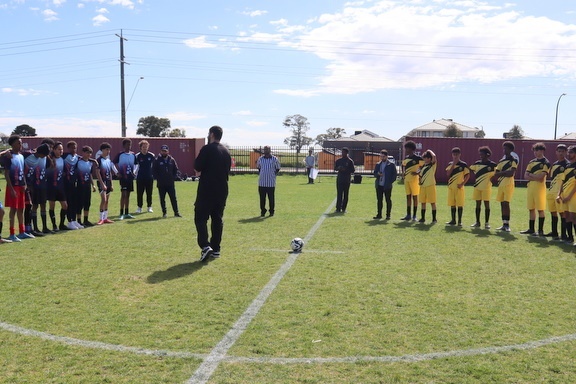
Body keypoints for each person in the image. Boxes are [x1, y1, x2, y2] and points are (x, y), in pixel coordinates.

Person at [194, 126, 232, 261]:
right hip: (222, 189)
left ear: (211, 134)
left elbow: (197, 166)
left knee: (200, 217)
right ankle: (216, 248)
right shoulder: (226, 151)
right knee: (217, 218)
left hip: (207, 188)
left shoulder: (207, 149)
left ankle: (205, 246)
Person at [2, 135, 33, 242]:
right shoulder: (8, 156)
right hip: (13, 186)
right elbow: (6, 174)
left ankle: (22, 232)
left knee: (21, 208)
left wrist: (24, 184)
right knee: (13, 209)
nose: (20, 145)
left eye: (21, 143)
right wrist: (11, 189)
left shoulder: (21, 156)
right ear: (12, 144)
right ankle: (11, 233)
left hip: (21, 186)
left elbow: (22, 171)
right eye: (18, 143)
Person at [520, 143, 550, 236]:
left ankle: (540, 230)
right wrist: (535, 177)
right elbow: (525, 176)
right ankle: (531, 229)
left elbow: (541, 178)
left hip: (540, 188)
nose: (535, 152)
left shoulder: (546, 163)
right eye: (534, 151)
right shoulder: (531, 162)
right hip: (531, 188)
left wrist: (531, 175)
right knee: (531, 208)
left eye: (537, 150)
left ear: (542, 151)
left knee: (540, 209)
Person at [24, 143, 51, 236]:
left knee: (43, 204)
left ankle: (44, 227)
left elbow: (49, 165)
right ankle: (34, 228)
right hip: (33, 185)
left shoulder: (44, 158)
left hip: (42, 185)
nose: (45, 156)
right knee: (34, 206)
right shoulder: (28, 155)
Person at [491, 141, 518, 232]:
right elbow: (496, 174)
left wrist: (502, 173)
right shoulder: (501, 161)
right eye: (503, 148)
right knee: (502, 204)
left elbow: (511, 173)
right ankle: (503, 223)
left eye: (505, 148)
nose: (504, 150)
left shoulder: (513, 160)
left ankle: (507, 225)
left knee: (506, 203)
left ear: (510, 150)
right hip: (501, 184)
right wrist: (504, 173)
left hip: (509, 184)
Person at [75, 146, 104, 227]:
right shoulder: (78, 161)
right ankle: (79, 221)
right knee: (79, 204)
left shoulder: (90, 163)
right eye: (87, 152)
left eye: (90, 153)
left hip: (87, 186)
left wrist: (93, 185)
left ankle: (86, 220)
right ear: (83, 152)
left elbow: (90, 174)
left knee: (87, 203)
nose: (89, 154)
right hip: (80, 186)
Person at [469, 146, 497, 229]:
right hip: (477, 187)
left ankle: (487, 223)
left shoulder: (492, 165)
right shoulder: (477, 163)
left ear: (487, 154)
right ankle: (477, 222)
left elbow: (496, 172)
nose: (480, 155)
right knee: (478, 204)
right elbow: (471, 169)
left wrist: (492, 178)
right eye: (480, 153)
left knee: (486, 205)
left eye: (482, 154)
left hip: (486, 187)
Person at [546, 144, 568, 240]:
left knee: (562, 213)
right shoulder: (554, 164)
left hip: (560, 192)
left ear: (566, 152)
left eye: (563, 151)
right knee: (553, 212)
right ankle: (554, 232)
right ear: (556, 152)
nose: (561, 153)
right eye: (559, 151)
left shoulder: (567, 165)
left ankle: (564, 235)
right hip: (551, 191)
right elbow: (552, 178)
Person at [153, 144, 182, 218]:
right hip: (161, 184)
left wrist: (174, 177)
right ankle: (164, 213)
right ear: (160, 151)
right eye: (163, 151)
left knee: (173, 198)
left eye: (165, 151)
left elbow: (176, 169)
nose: (164, 152)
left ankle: (176, 212)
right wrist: (158, 178)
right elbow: (153, 170)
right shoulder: (157, 160)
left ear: (168, 151)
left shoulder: (171, 160)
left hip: (170, 183)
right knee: (162, 199)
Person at [46, 141, 69, 232]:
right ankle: (54, 225)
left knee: (65, 206)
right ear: (54, 150)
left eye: (62, 149)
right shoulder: (49, 159)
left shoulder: (63, 159)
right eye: (59, 149)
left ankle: (61, 224)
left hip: (60, 187)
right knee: (52, 206)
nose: (61, 151)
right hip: (51, 187)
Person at [556, 145, 576, 244]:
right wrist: (559, 194)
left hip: (573, 196)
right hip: (565, 196)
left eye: (571, 152)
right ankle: (570, 238)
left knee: (573, 217)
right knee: (567, 216)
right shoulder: (567, 166)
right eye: (568, 152)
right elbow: (562, 182)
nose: (568, 154)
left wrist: (569, 196)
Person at [113, 139, 138, 220]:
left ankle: (127, 213)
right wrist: (117, 172)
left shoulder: (133, 155)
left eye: (130, 144)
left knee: (128, 195)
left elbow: (137, 164)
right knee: (123, 195)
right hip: (123, 178)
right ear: (123, 146)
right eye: (127, 144)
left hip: (130, 178)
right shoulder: (120, 154)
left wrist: (134, 171)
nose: (129, 146)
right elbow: (112, 163)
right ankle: (121, 213)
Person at [445, 147, 470, 226]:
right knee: (452, 204)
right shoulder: (450, 164)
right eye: (454, 154)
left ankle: (459, 221)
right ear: (452, 155)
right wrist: (453, 164)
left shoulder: (463, 164)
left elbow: (468, 175)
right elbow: (448, 174)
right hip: (451, 187)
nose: (455, 156)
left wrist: (462, 184)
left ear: (460, 154)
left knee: (459, 204)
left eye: (457, 154)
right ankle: (453, 220)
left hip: (459, 188)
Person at [401, 140, 424, 221]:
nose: (406, 150)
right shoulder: (406, 158)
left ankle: (414, 216)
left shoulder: (418, 158)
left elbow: (422, 167)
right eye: (405, 148)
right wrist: (403, 173)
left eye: (407, 148)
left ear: (412, 149)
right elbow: (403, 166)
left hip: (414, 180)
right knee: (408, 197)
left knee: (415, 197)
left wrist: (417, 172)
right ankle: (408, 215)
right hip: (406, 180)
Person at [63, 141, 83, 229]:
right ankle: (69, 221)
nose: (73, 149)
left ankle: (74, 221)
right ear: (68, 148)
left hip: (74, 183)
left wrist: (94, 160)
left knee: (75, 202)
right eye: (71, 147)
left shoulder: (78, 157)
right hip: (66, 183)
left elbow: (86, 158)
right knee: (69, 203)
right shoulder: (65, 156)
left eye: (75, 147)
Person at [256, 146, 281, 217]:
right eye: (265, 149)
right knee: (262, 198)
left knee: (271, 198)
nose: (266, 151)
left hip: (271, 182)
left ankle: (271, 211)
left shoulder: (275, 159)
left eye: (267, 149)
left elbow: (278, 168)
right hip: (262, 182)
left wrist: (272, 175)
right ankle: (263, 211)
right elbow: (259, 167)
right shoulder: (260, 159)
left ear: (270, 150)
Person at [373, 149, 397, 220]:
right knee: (379, 200)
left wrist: (389, 182)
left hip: (387, 185)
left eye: (383, 156)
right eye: (381, 156)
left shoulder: (391, 165)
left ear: (386, 156)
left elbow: (394, 175)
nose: (382, 158)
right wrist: (378, 174)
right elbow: (374, 173)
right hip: (379, 185)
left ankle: (388, 215)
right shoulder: (378, 164)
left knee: (388, 200)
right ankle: (379, 214)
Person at [96, 142, 116, 225]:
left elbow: (110, 172)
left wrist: (111, 184)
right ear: (102, 150)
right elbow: (97, 173)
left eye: (109, 150)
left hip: (108, 182)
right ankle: (101, 218)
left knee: (107, 200)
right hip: (102, 182)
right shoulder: (99, 160)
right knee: (103, 200)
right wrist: (102, 184)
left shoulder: (108, 160)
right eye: (106, 150)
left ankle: (105, 218)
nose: (108, 151)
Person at [135, 140, 155, 213]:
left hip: (149, 177)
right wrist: (134, 173)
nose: (145, 148)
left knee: (149, 193)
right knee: (140, 193)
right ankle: (139, 207)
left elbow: (154, 166)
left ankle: (149, 207)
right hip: (140, 177)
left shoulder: (151, 155)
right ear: (140, 147)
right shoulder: (137, 156)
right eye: (143, 147)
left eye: (146, 147)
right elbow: (135, 166)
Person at [418, 149, 437, 223]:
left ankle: (434, 219)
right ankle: (422, 218)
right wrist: (419, 181)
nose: (424, 159)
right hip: (423, 186)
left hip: (430, 186)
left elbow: (434, 156)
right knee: (423, 202)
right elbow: (420, 175)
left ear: (429, 158)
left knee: (432, 202)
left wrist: (429, 151)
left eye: (426, 158)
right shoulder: (423, 166)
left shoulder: (432, 165)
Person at [334, 147, 355, 213]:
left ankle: (344, 208)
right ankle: (338, 208)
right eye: (342, 152)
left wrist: (345, 170)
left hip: (347, 180)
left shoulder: (350, 161)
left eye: (344, 152)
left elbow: (353, 170)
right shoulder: (338, 160)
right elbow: (335, 168)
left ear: (347, 153)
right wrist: (339, 168)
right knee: (339, 194)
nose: (342, 153)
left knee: (346, 194)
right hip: (340, 179)